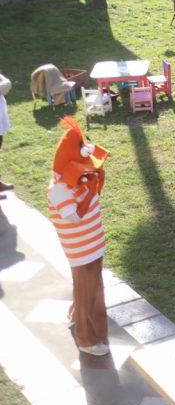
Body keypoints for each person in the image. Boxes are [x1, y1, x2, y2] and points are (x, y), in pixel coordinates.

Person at [47, 117, 110, 355]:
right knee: (90, 292)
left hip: (92, 245)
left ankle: (77, 315)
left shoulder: (78, 180)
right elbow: (72, 216)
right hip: (81, 250)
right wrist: (89, 187)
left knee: (88, 288)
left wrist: (90, 181)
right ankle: (88, 339)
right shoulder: (60, 188)